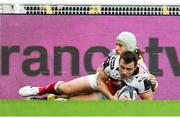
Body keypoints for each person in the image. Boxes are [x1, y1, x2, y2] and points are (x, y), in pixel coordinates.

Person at [18, 32, 157, 100]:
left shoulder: (140, 65)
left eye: (120, 45)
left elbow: (149, 84)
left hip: (110, 93)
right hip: (100, 82)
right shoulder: (114, 55)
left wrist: (154, 84)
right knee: (65, 88)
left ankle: (42, 101)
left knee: (71, 99)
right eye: (116, 44)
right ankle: (38, 90)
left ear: (129, 48)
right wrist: (101, 70)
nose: (116, 48)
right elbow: (101, 75)